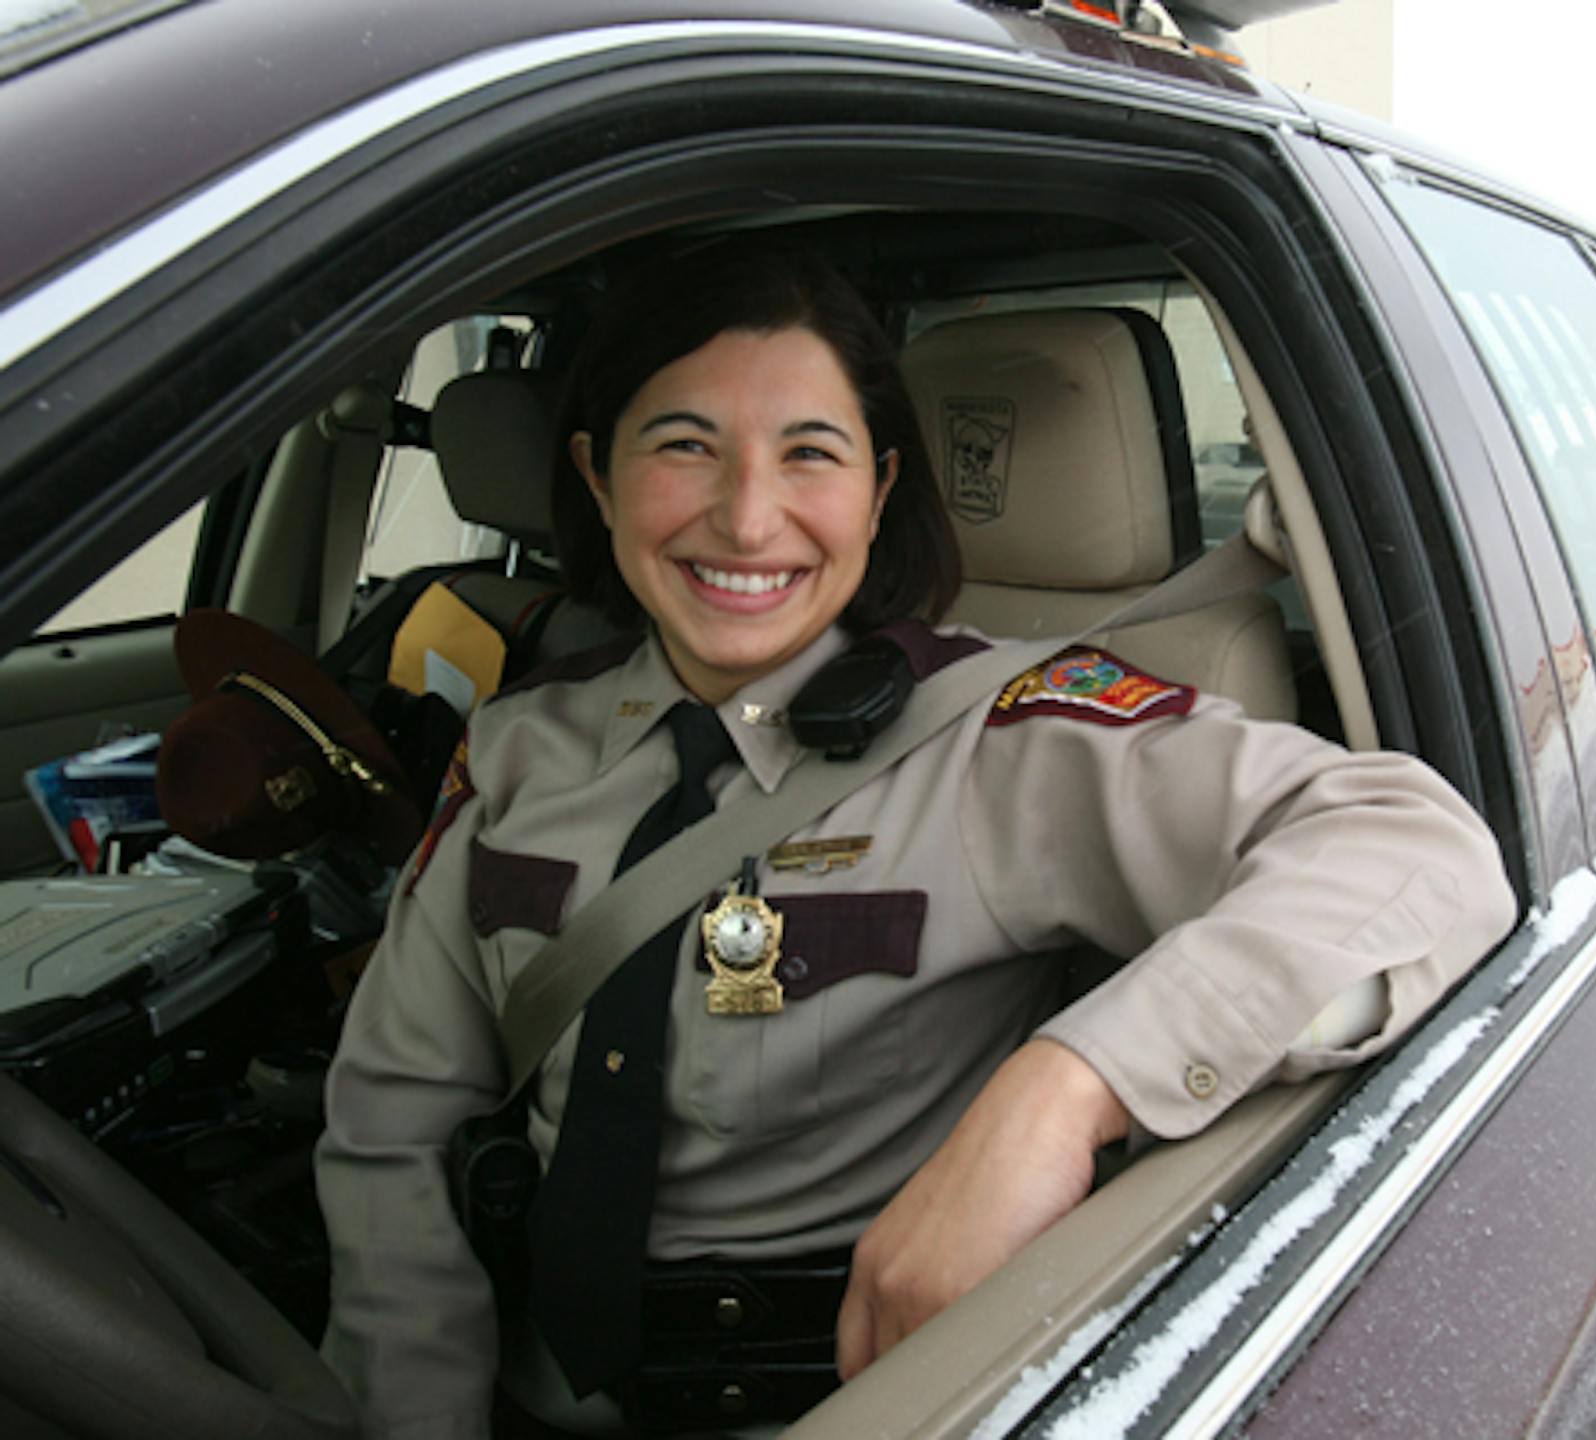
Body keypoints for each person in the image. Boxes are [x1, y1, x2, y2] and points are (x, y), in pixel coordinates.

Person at [315, 250, 1515, 1439]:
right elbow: (394, 1127)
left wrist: (1064, 1090)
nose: (746, 515)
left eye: (810, 454)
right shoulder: (521, 743)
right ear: (597, 472)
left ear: (880, 489)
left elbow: (1420, 850)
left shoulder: (1006, 740)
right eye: (684, 445)